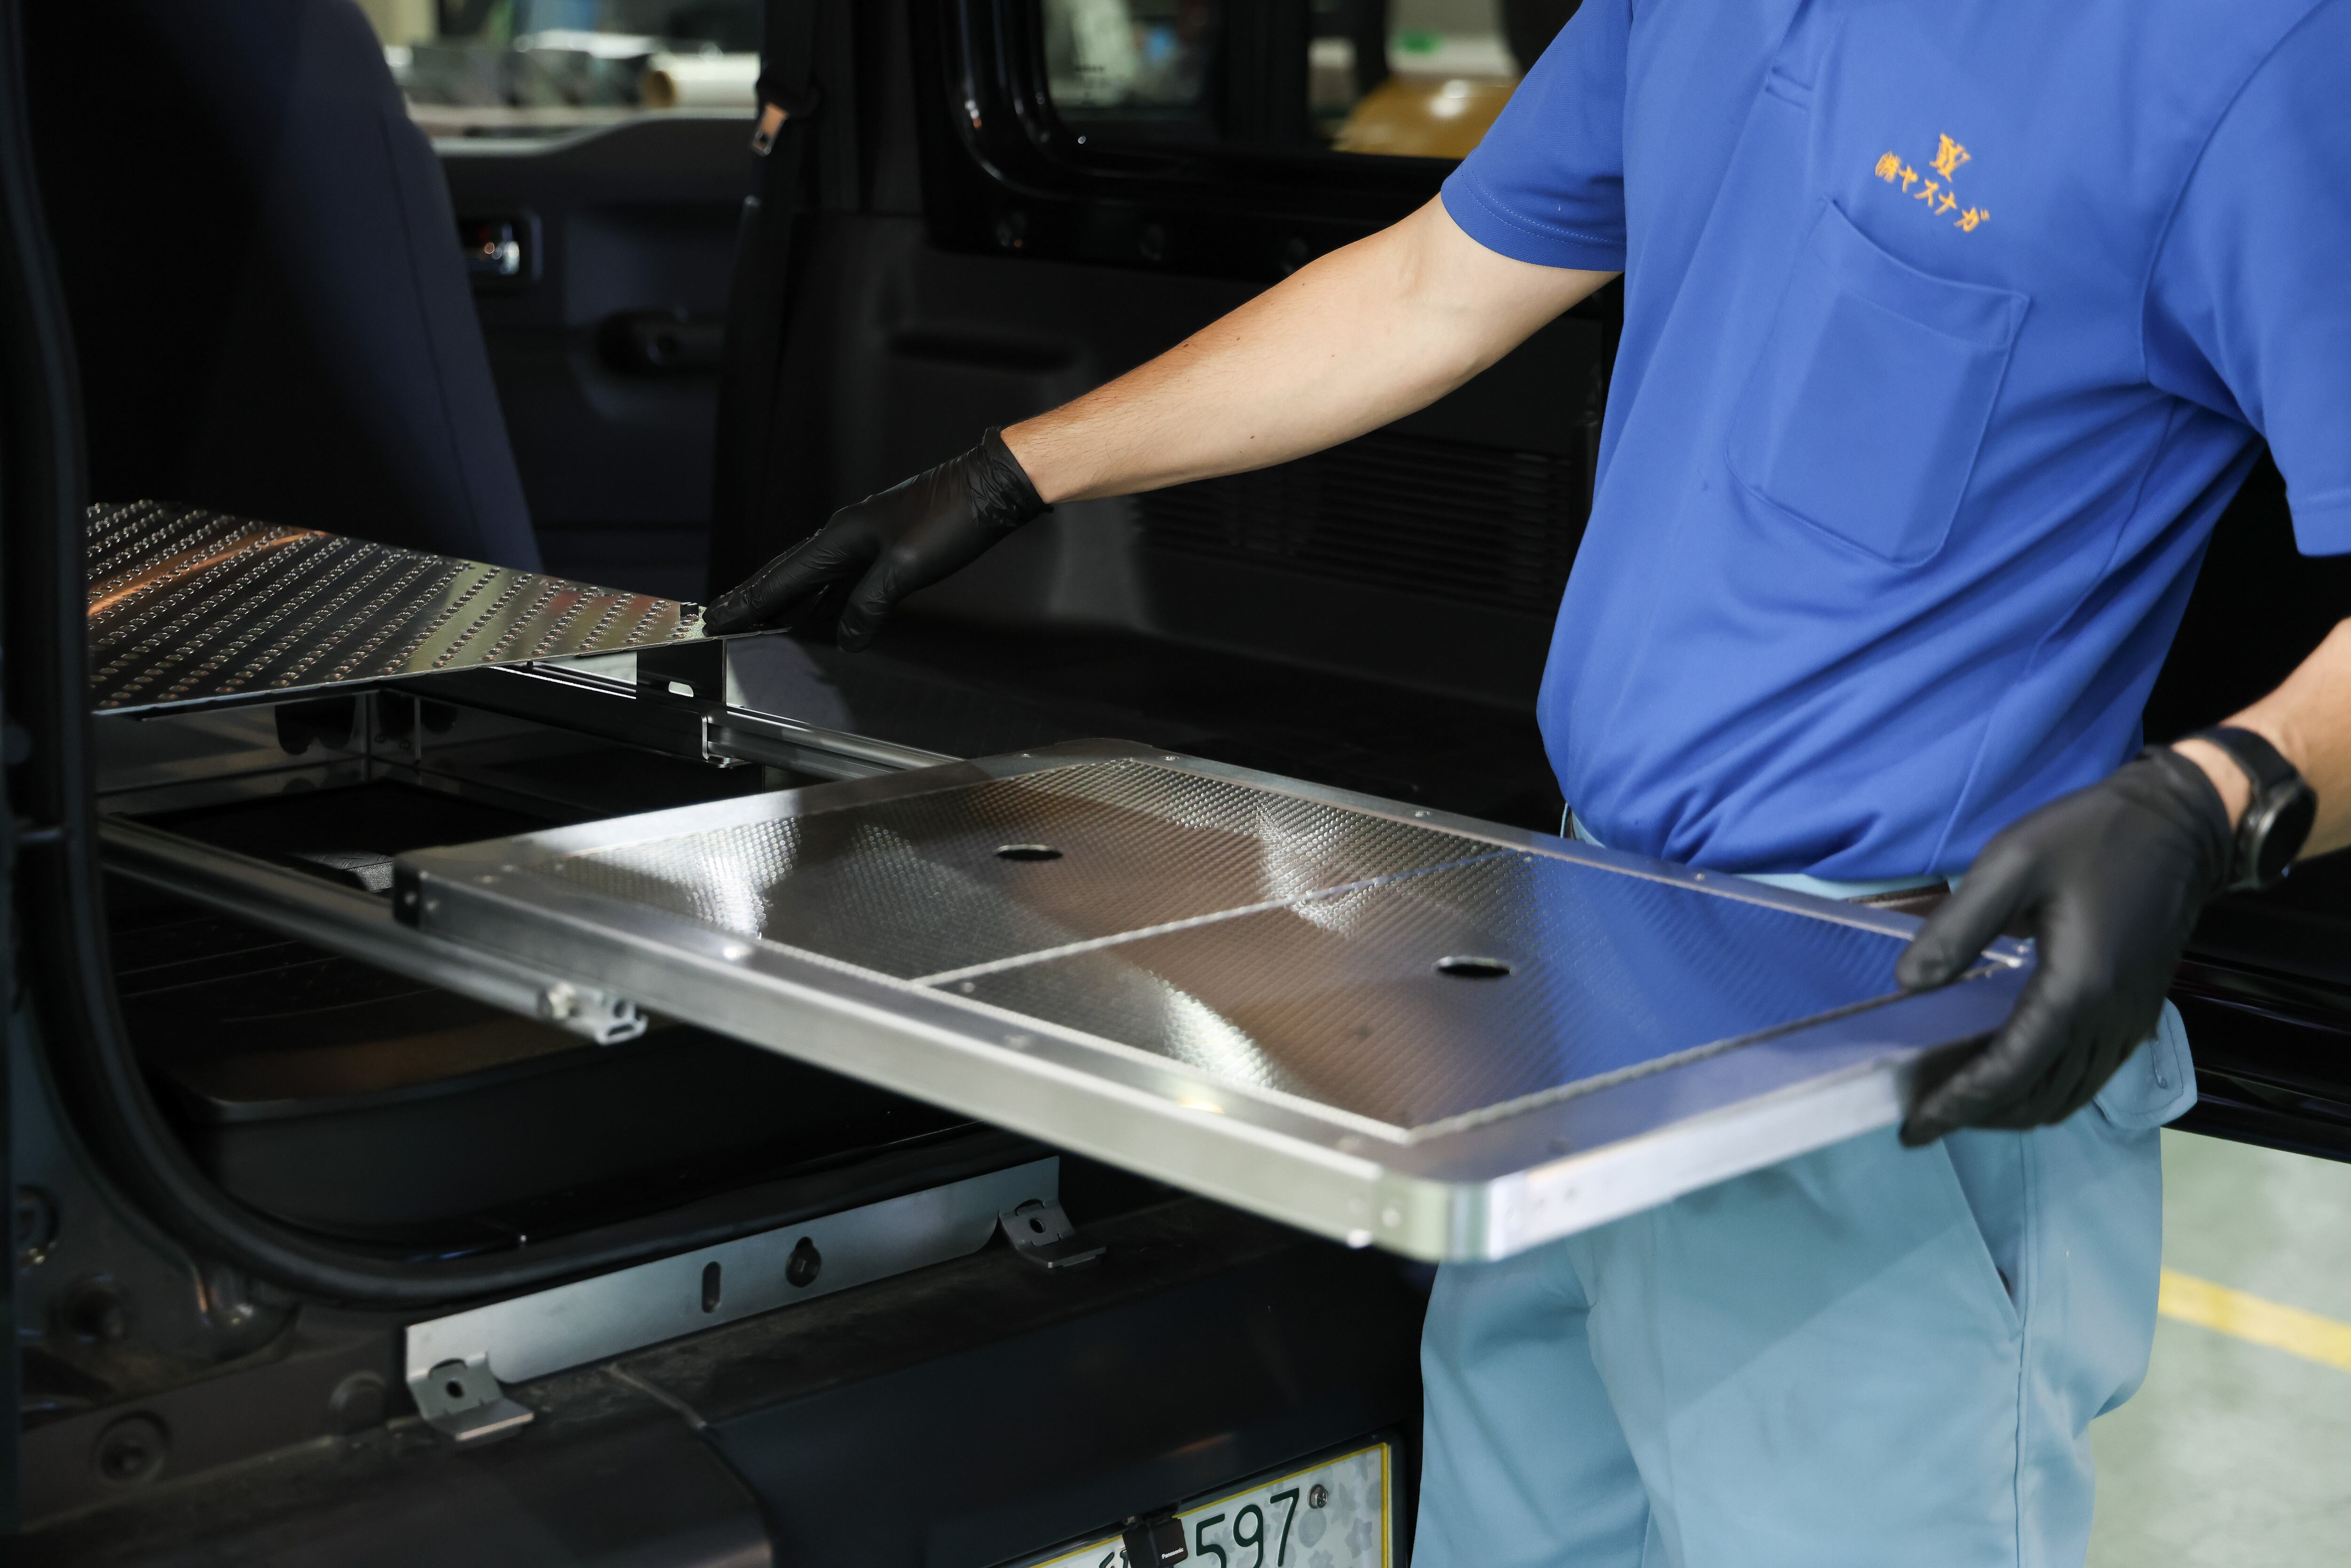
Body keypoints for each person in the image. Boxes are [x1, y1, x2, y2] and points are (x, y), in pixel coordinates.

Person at [707, 1, 2351, 1560]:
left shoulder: (2241, 60)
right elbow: (1433, 283)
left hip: (1885, 1038)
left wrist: (2217, 800)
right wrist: (1019, 468)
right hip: (1581, 989)